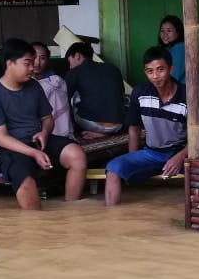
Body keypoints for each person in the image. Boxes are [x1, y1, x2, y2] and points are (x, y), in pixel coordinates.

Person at [0, 37, 88, 209]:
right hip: (8, 149)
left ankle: (71, 214)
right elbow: (1, 138)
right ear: (10, 64)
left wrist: (44, 133)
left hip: (37, 141)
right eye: (27, 63)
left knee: (77, 155)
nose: (33, 67)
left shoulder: (34, 86)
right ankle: (36, 226)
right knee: (26, 181)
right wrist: (33, 153)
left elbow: (47, 119)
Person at [104, 46, 188, 207]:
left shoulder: (187, 95)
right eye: (149, 71)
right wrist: (133, 159)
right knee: (113, 168)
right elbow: (134, 129)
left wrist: (180, 157)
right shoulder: (140, 93)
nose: (155, 76)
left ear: (171, 69)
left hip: (182, 152)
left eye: (160, 69)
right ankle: (111, 219)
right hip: (152, 153)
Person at [64, 41, 126, 139]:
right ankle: (105, 132)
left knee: (71, 95)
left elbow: (64, 99)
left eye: (69, 61)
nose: (70, 66)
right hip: (119, 124)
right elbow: (121, 95)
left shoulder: (74, 72)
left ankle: (97, 131)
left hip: (93, 124)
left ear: (77, 55)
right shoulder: (113, 68)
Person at [31, 41, 73, 139]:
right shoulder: (22, 82)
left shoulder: (56, 82)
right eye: (33, 57)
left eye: (42, 58)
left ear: (47, 60)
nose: (37, 62)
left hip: (58, 130)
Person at [157, 14, 186, 83]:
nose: (165, 34)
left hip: (185, 91)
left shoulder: (180, 48)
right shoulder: (169, 48)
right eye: (162, 31)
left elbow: (173, 77)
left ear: (178, 32)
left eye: (169, 31)